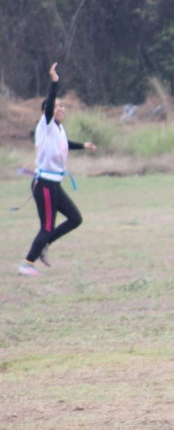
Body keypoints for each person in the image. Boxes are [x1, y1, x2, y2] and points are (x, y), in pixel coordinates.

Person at [18, 62, 95, 277]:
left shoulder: (58, 129)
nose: (61, 108)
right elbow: (50, 100)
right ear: (47, 111)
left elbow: (65, 144)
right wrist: (54, 81)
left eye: (63, 106)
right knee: (47, 226)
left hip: (54, 184)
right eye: (57, 106)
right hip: (44, 184)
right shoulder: (46, 124)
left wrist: (84, 145)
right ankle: (27, 264)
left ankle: (45, 244)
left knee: (75, 218)